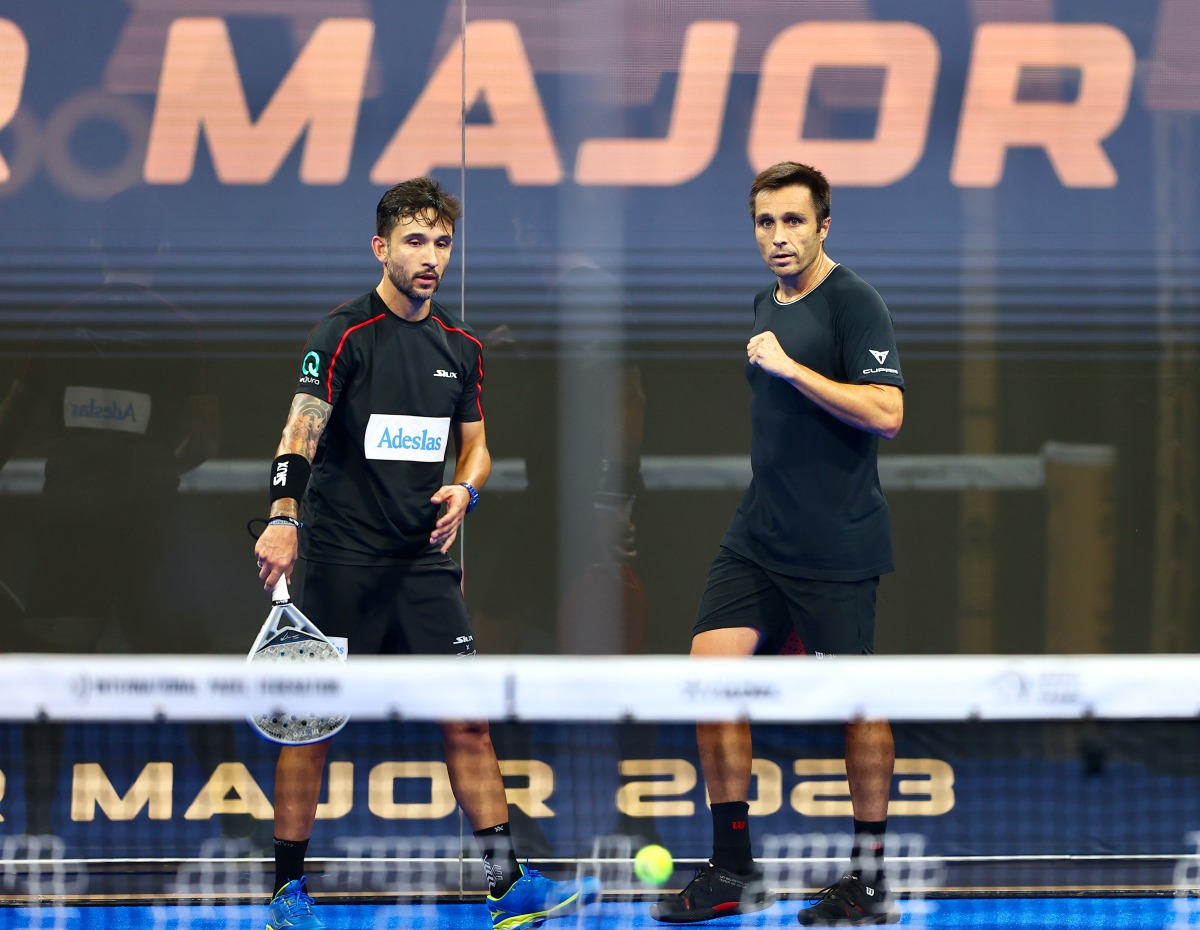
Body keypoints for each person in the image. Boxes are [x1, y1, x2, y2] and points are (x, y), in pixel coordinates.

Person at [252, 177, 601, 930]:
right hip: (343, 564)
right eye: (415, 241)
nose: (431, 256)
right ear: (381, 248)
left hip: (423, 568)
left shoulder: (461, 347)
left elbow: (475, 450)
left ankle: (506, 886)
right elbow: (299, 433)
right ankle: (286, 892)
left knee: (467, 722)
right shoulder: (341, 335)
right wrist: (284, 516)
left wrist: (465, 493)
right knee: (313, 730)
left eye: (442, 242)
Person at [649, 162, 905, 927]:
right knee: (710, 679)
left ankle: (866, 878)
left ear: (824, 225)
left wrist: (792, 369)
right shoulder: (765, 301)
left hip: (837, 547)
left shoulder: (856, 304)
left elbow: (888, 412)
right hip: (758, 537)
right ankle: (732, 866)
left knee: (855, 708)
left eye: (794, 221)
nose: (778, 237)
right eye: (766, 222)